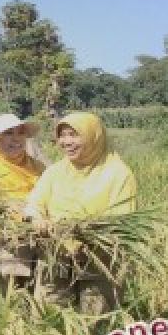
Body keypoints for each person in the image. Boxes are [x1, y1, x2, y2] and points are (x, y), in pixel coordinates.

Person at [25, 112, 137, 313]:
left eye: (74, 135)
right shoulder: (55, 172)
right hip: (55, 255)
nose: (66, 142)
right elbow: (35, 202)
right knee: (49, 316)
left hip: (98, 263)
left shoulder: (118, 174)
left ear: (93, 136)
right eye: (62, 135)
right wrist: (37, 219)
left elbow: (121, 220)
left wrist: (82, 231)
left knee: (95, 321)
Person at [0, 113, 46, 293]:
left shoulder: (39, 168)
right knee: (5, 292)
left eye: (20, 133)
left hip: (39, 237)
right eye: (8, 133)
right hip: (3, 243)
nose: (16, 139)